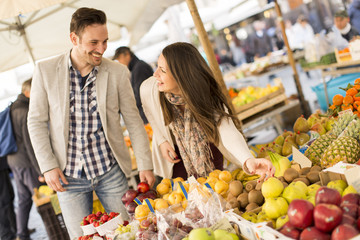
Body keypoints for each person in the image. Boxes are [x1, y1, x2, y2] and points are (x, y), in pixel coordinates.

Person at [27, 8, 155, 239]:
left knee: (130, 233)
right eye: (93, 42)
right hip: (68, 177)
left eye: (105, 41)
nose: (101, 49)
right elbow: (35, 122)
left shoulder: (117, 72)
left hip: (111, 170)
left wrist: (145, 164)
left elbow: (134, 121)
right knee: (81, 237)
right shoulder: (45, 71)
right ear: (73, 39)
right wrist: (48, 166)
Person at [140, 42, 275, 181]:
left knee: (215, 187)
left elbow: (227, 129)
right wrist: (162, 140)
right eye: (157, 67)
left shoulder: (204, 93)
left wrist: (247, 159)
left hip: (207, 147)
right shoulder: (150, 89)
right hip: (174, 154)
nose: (155, 74)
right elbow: (148, 110)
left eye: (162, 70)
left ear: (181, 74)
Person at [7, 79, 42, 240]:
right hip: (27, 163)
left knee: (23, 200)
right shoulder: (25, 111)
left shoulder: (13, 107)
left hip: (14, 161)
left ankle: (21, 234)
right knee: (42, 198)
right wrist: (41, 170)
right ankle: (53, 226)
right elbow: (30, 144)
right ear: (28, 92)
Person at [113, 47, 154, 124]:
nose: (119, 62)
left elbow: (140, 94)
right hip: (148, 112)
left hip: (149, 113)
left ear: (127, 55)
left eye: (119, 58)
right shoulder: (137, 67)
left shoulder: (139, 68)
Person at [0, 156, 17, 240]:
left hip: (2, 165)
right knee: (4, 201)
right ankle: (7, 235)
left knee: (9, 197)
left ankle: (16, 229)